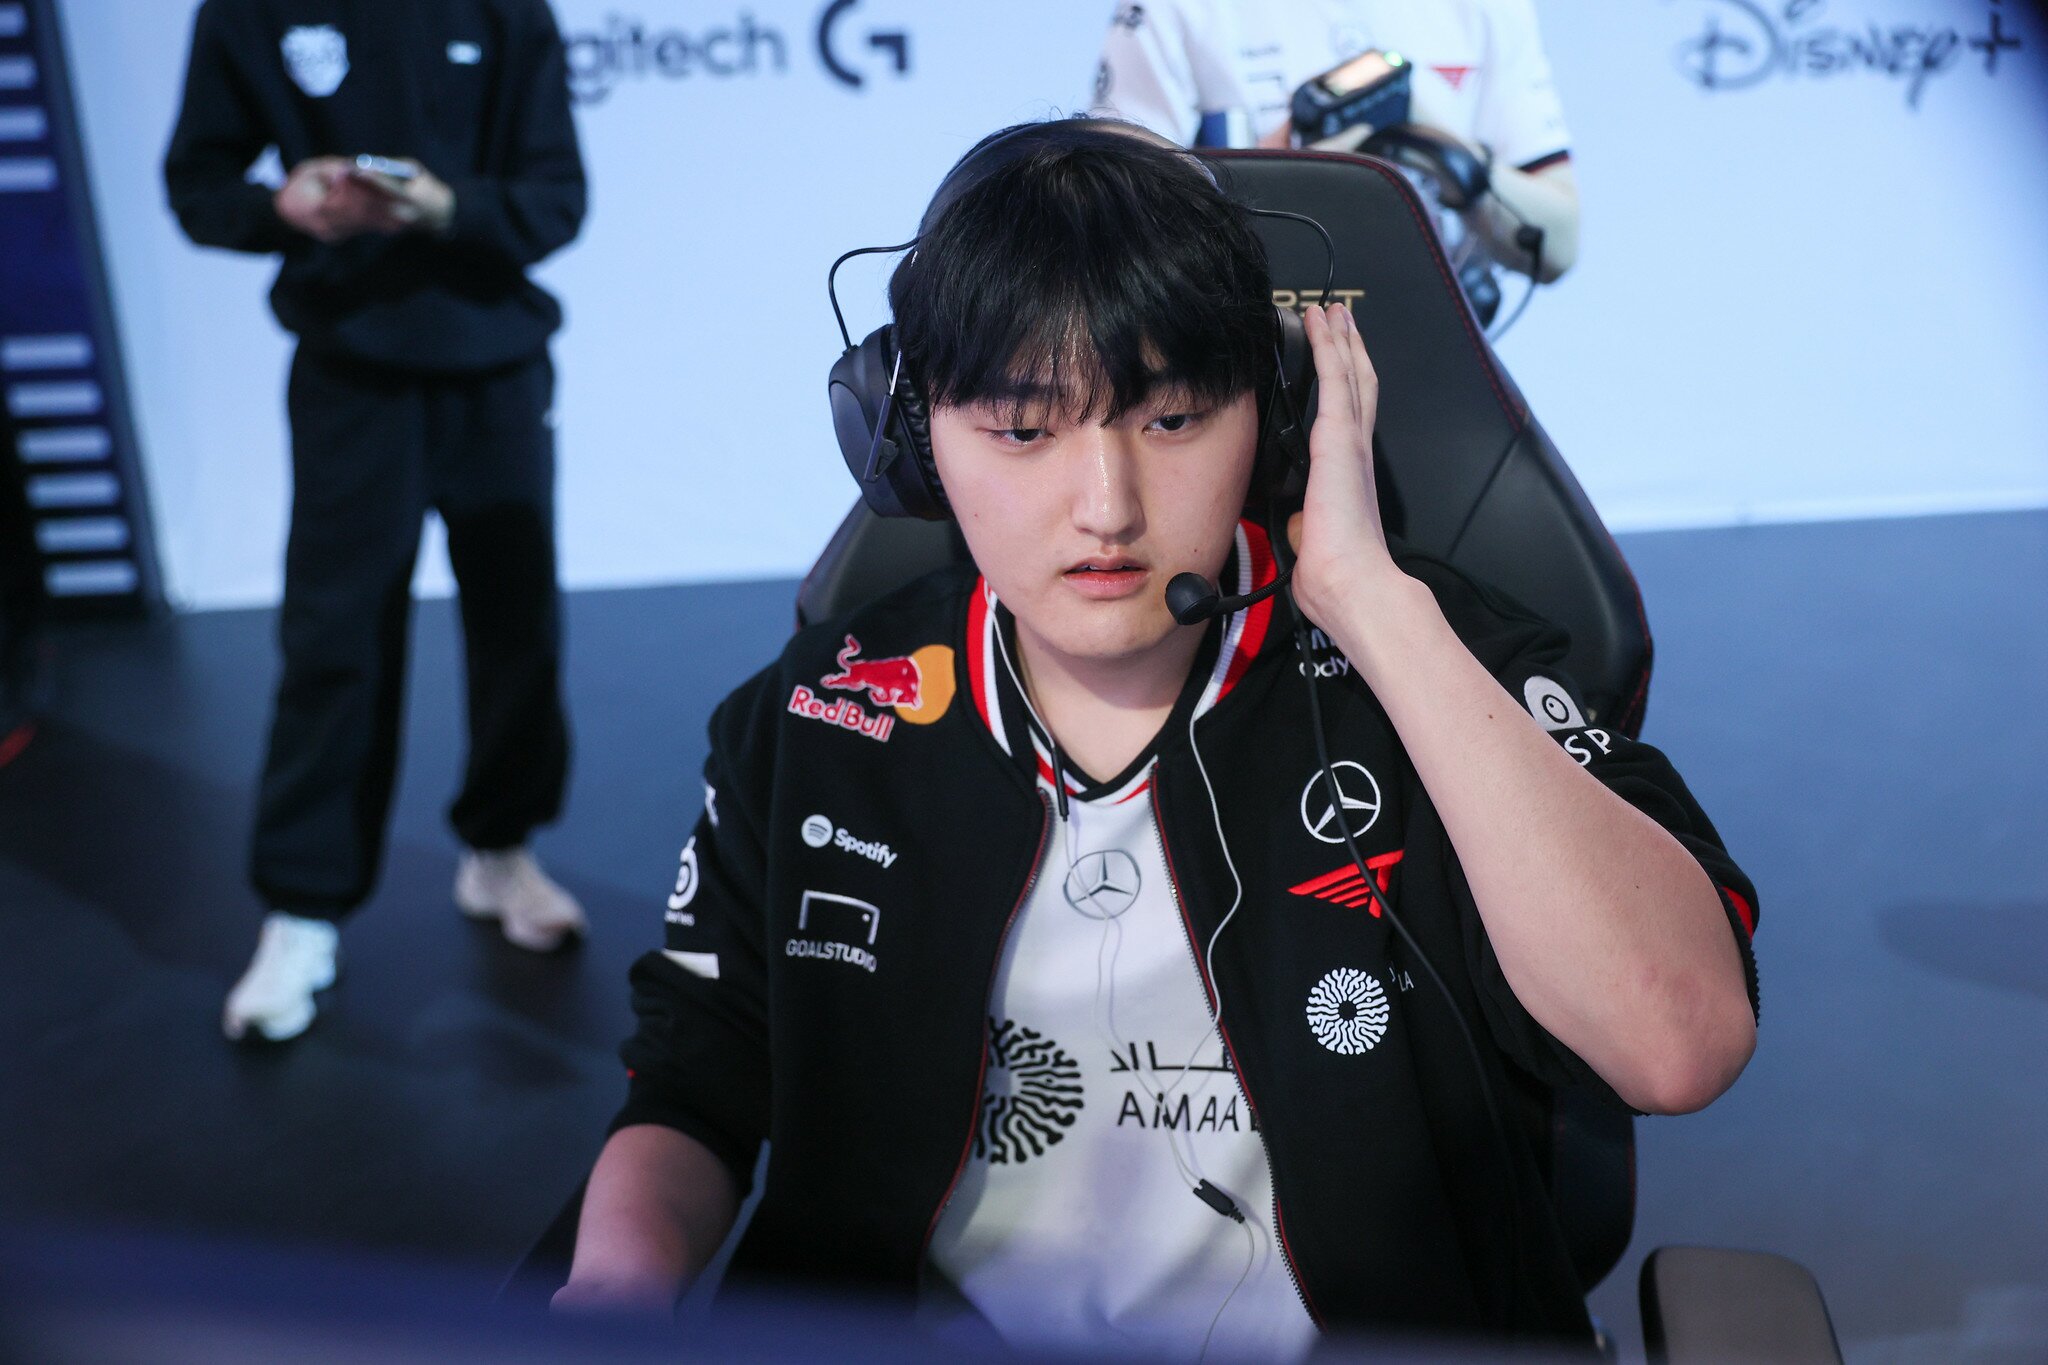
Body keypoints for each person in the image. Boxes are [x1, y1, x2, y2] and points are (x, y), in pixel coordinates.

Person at [557, 121, 1757, 1355]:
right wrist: (613, 1286)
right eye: (1021, 431)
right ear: (908, 440)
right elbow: (696, 1083)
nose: (1106, 508)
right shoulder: (826, 714)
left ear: (1273, 416)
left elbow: (1677, 1047)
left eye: (1174, 418)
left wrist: (1374, 609)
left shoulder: (1436, 674)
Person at [163, 0, 589, 1043]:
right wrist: (283, 208)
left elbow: (556, 199)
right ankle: (303, 910)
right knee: (335, 638)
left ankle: (500, 849)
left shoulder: (507, 11)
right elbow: (197, 186)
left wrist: (447, 207)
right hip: (349, 368)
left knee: (516, 622)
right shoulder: (250, 12)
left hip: (494, 364)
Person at [1087, 0, 1581, 313]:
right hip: (1246, 359)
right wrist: (1283, 167)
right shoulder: (1171, 9)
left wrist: (1440, 148)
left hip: (1435, 353)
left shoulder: (1489, 9)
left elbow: (1557, 246)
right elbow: (1109, 232)